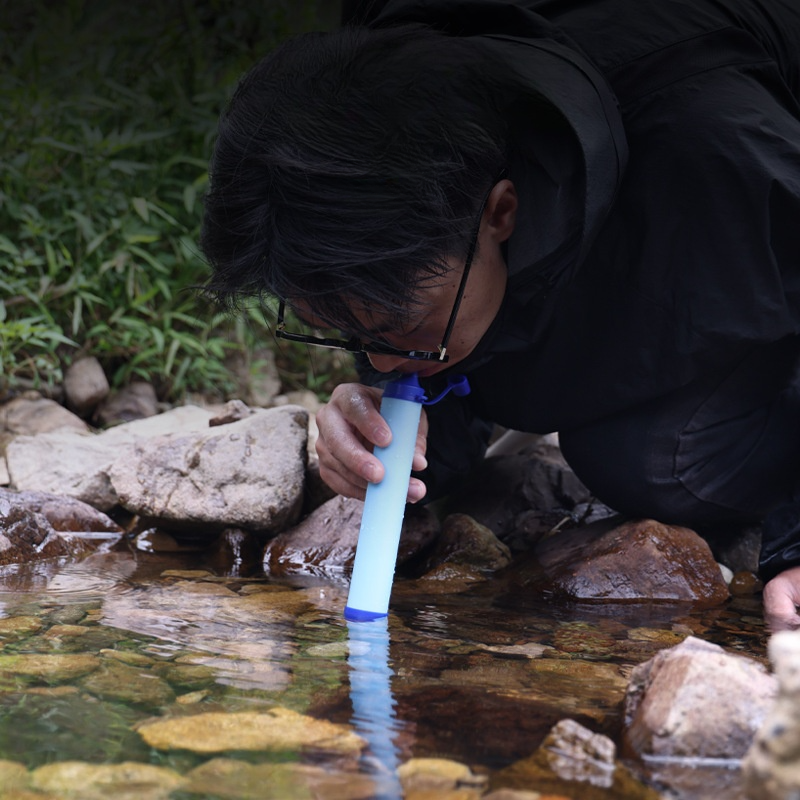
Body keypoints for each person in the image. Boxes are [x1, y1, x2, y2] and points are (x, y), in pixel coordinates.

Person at [200, 0, 800, 626]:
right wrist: (402, 433)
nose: (378, 358)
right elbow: (403, 327)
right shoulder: (386, 152)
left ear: (500, 214)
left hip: (725, 182)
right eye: (348, 331)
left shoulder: (722, 154)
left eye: (399, 326)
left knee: (646, 459)